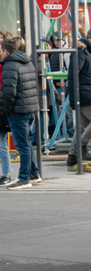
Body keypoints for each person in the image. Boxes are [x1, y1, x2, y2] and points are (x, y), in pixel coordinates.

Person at [0, 38, 41, 190]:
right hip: (30, 108)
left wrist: (6, 108)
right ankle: (34, 174)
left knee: (22, 145)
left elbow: (9, 91)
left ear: (5, 51)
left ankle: (24, 178)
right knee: (27, 143)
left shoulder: (10, 65)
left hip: (18, 110)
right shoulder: (27, 61)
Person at [66, 26, 91, 166]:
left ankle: (72, 156)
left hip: (87, 92)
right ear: (90, 38)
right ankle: (80, 147)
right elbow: (73, 75)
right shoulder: (82, 52)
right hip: (84, 93)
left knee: (82, 125)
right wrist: (73, 97)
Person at [0, 55, 13, 184]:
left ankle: (6, 174)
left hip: (3, 112)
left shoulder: (4, 71)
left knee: (2, 144)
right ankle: (6, 174)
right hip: (4, 111)